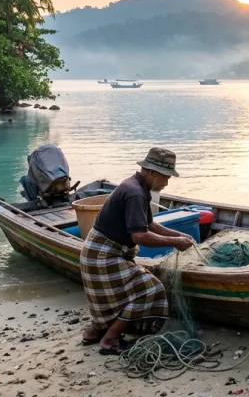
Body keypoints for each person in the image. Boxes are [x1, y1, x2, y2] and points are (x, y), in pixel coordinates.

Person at [79, 147, 195, 354]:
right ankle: (110, 339)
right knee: (150, 289)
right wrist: (174, 242)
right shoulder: (134, 193)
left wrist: (179, 236)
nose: (167, 183)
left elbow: (149, 225)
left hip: (98, 251)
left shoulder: (137, 187)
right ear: (152, 172)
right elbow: (140, 236)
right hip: (103, 255)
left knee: (118, 294)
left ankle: (94, 332)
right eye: (166, 177)